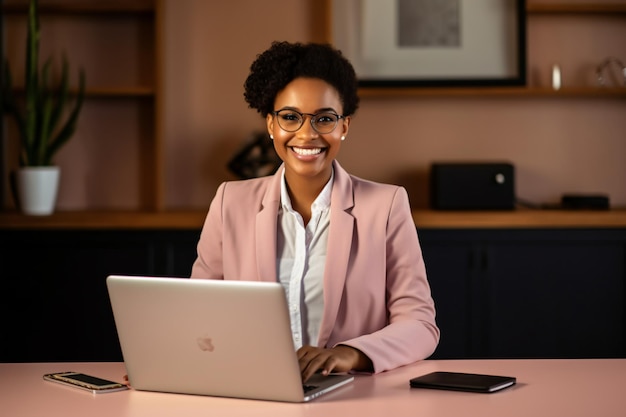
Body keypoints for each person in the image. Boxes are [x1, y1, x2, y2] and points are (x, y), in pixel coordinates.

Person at [191, 41, 439, 382]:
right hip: (252, 392)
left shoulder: (387, 205)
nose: (307, 134)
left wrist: (350, 354)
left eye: (324, 119)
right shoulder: (229, 202)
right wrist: (167, 363)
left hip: (352, 398)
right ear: (270, 124)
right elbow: (198, 314)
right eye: (290, 117)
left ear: (344, 126)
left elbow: (421, 324)